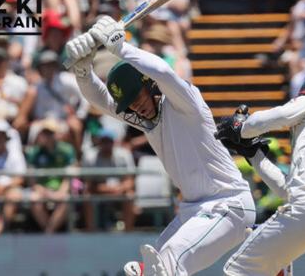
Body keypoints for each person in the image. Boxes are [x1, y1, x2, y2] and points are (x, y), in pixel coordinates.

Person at [65, 16, 255, 276]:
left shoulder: (186, 103)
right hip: (195, 209)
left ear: (149, 84)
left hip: (228, 203)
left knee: (169, 258)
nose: (136, 106)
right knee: (158, 257)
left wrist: (122, 48)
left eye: (138, 97)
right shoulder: (145, 120)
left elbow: (164, 72)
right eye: (130, 104)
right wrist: (83, 72)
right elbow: (102, 102)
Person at [216, 72, 305, 276]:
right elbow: (286, 190)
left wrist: (241, 128)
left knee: (240, 270)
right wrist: (255, 156)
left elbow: (278, 117)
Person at [82, 128, 136, 232]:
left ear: (114, 142)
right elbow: (88, 184)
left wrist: (120, 188)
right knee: (86, 196)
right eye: (103, 141)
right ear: (99, 142)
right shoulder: (89, 157)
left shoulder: (124, 155)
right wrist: (104, 189)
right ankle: (90, 233)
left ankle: (128, 233)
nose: (106, 144)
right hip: (97, 192)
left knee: (130, 196)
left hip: (119, 192)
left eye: (109, 141)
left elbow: (130, 181)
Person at [27, 119, 76, 234]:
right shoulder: (35, 152)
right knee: (33, 198)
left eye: (51, 133)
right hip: (41, 190)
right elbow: (31, 180)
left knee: (67, 199)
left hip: (60, 189)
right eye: (45, 133)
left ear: (57, 134)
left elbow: (69, 177)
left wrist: (60, 192)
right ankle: (50, 232)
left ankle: (49, 232)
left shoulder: (67, 150)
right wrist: (43, 191)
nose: (48, 136)